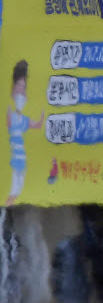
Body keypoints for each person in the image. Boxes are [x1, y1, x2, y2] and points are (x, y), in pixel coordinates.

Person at [7, 60, 44, 207]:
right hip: (15, 156)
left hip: (21, 158)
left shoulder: (22, 118)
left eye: (24, 88)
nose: (22, 92)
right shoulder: (10, 113)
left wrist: (42, 118)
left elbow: (36, 125)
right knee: (14, 188)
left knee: (18, 188)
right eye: (19, 87)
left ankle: (9, 203)